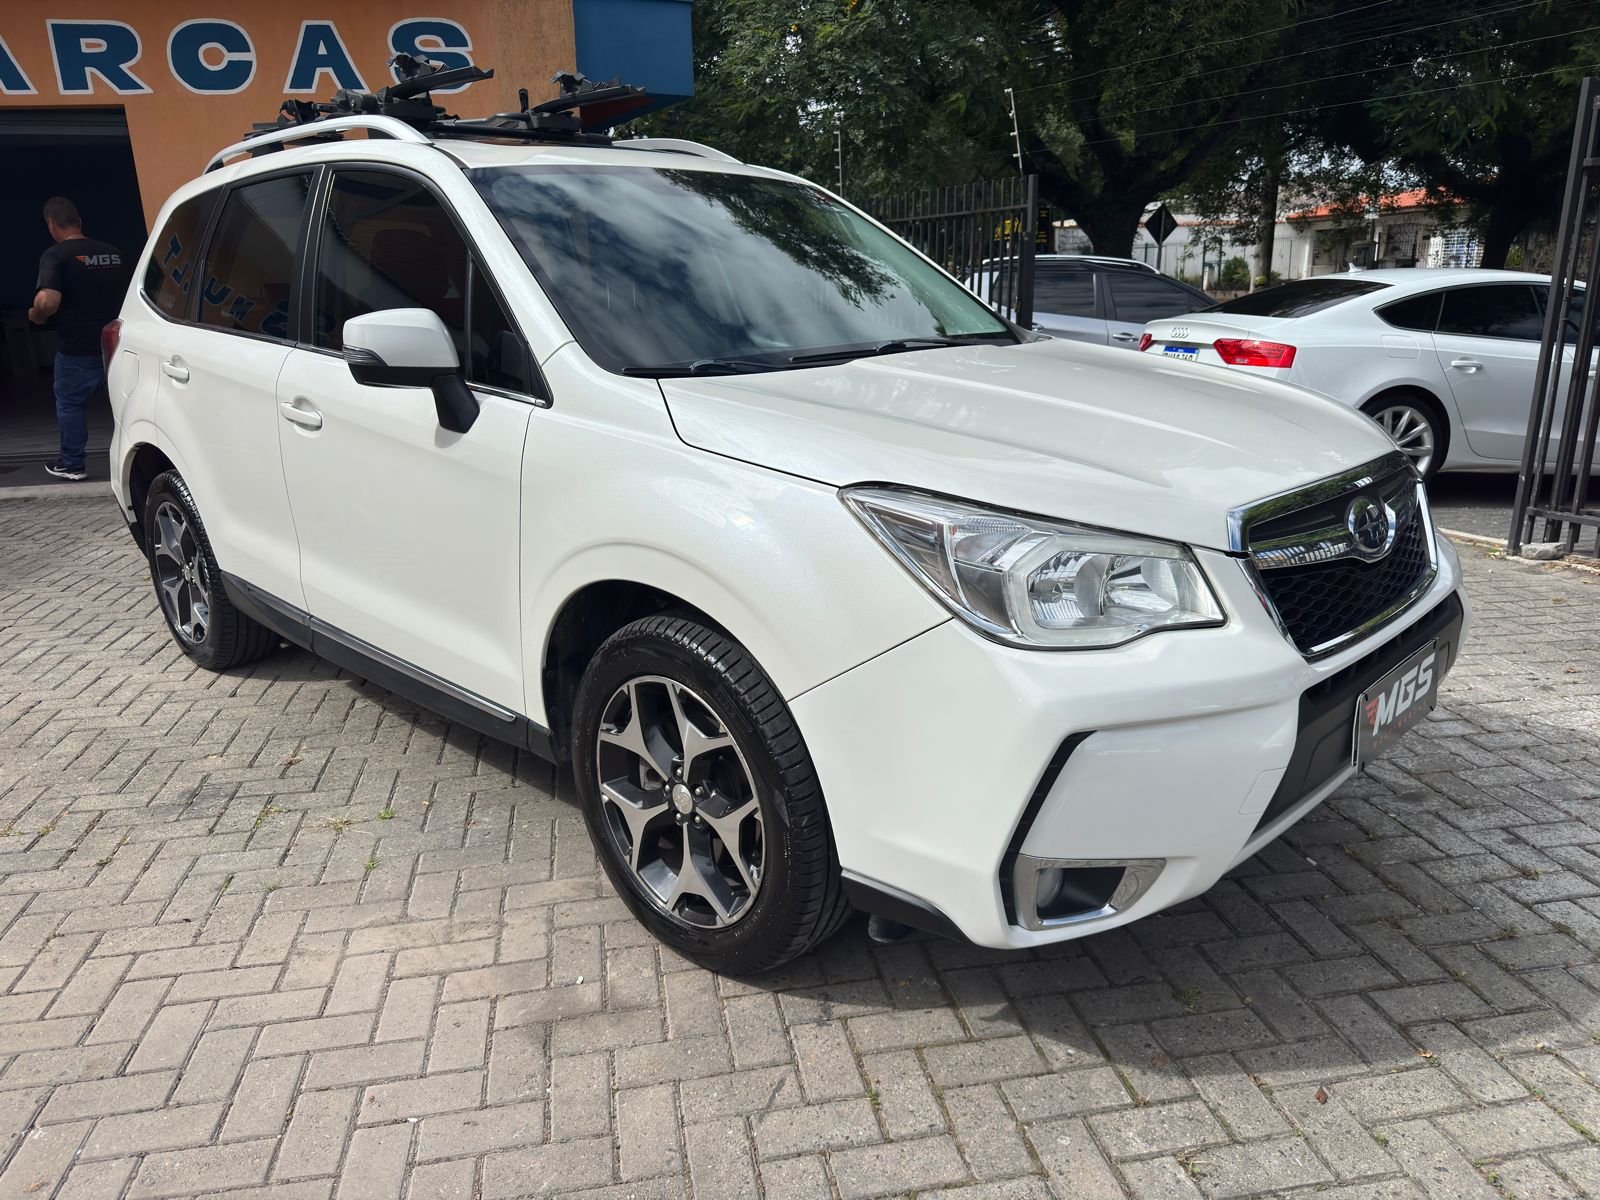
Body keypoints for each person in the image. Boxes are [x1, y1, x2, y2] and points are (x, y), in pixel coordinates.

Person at [28, 197, 128, 481]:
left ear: (51, 224)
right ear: (79, 221)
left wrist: (36, 315)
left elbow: (48, 301)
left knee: (71, 404)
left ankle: (72, 464)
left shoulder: (55, 255)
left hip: (77, 350)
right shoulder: (115, 254)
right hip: (118, 346)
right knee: (128, 403)